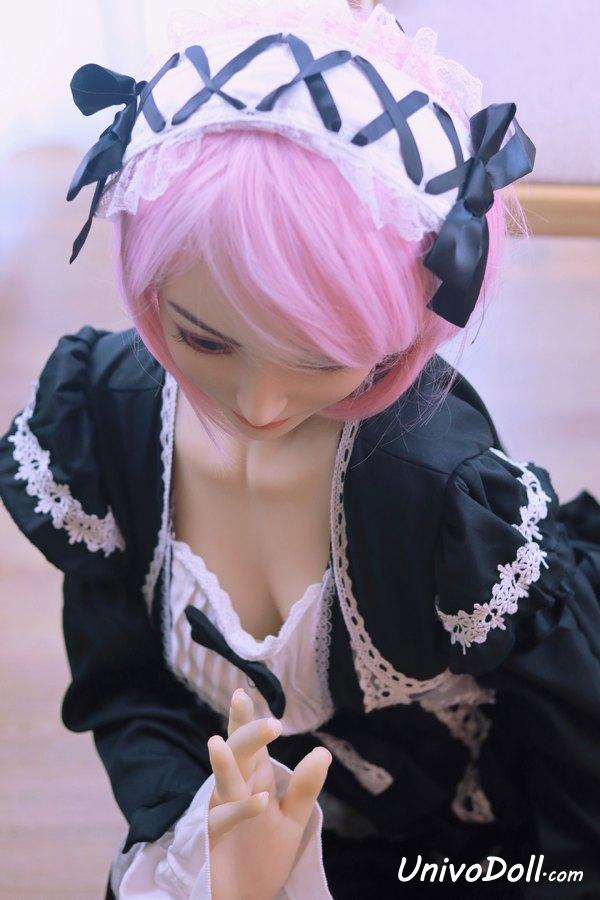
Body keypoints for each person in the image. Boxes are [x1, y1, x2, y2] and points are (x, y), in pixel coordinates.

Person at [1, 1, 599, 897]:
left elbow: (572, 748)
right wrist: (200, 834)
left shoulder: (438, 491)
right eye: (204, 339)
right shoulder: (105, 424)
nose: (260, 404)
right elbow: (123, 683)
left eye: (321, 360)